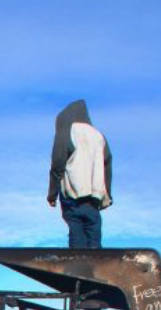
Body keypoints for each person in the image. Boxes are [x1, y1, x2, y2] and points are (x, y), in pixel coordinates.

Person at [47, 99, 112, 249]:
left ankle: (76, 268)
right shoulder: (99, 136)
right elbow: (107, 164)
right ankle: (95, 268)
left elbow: (57, 164)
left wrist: (52, 194)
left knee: (77, 235)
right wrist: (107, 195)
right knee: (94, 237)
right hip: (94, 198)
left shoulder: (66, 132)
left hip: (72, 195)